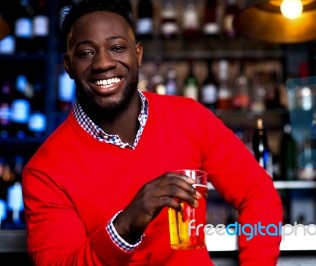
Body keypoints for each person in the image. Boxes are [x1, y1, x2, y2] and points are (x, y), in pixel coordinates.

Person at [22, 0, 283, 265]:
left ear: (138, 54)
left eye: (117, 48)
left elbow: (259, 195)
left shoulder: (189, 118)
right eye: (87, 53)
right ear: (68, 66)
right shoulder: (45, 171)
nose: (103, 63)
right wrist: (125, 225)